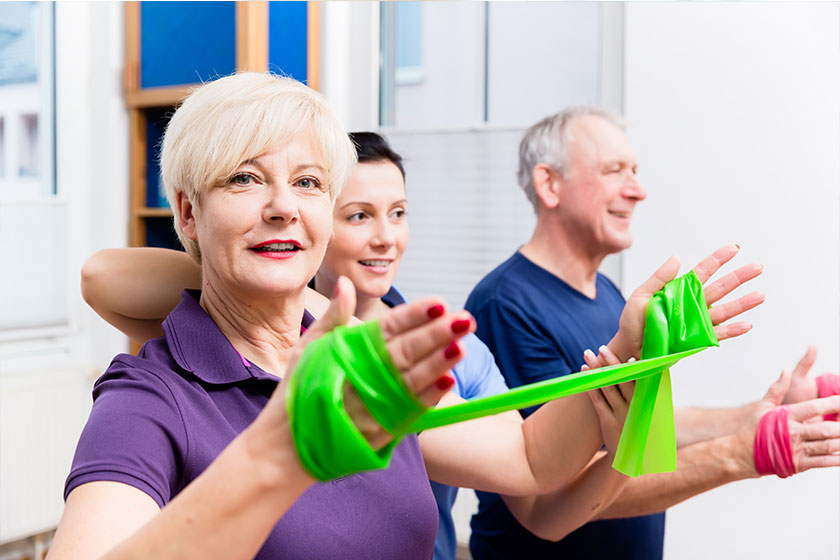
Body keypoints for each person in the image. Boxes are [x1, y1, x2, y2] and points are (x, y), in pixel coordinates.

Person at [50, 72, 716, 560]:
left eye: (309, 183)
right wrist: (278, 456)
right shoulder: (149, 398)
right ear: (188, 212)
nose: (285, 206)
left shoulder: (365, 365)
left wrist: (632, 352)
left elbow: (531, 460)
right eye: (244, 179)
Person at [464, 107, 840, 559]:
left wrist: (766, 411)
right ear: (549, 185)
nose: (638, 190)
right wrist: (742, 453)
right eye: (614, 170)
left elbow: (642, 425)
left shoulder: (605, 292)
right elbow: (561, 485)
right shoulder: (506, 305)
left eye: (636, 171)